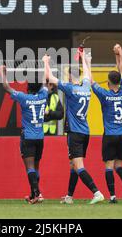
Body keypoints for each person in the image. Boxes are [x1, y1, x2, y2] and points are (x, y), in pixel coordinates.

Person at [44, 51, 105, 205]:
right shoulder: (86, 86)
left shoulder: (70, 89)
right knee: (73, 164)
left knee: (78, 166)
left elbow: (50, 78)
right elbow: (87, 73)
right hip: (85, 131)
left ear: (71, 77)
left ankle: (97, 193)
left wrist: (46, 62)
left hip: (75, 133)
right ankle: (69, 196)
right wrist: (84, 58)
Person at [0, 58, 49, 204]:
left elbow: (6, 87)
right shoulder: (43, 96)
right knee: (36, 166)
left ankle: (37, 194)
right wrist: (45, 62)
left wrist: (3, 73)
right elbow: (45, 82)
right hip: (40, 137)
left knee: (30, 167)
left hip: (28, 137)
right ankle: (34, 194)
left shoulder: (24, 98)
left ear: (28, 87)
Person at [91, 44, 122, 204]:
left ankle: (113, 196)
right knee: (119, 165)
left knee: (109, 166)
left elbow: (91, 81)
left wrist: (86, 61)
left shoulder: (104, 94)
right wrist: (120, 53)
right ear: (120, 82)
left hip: (110, 135)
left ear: (108, 82)